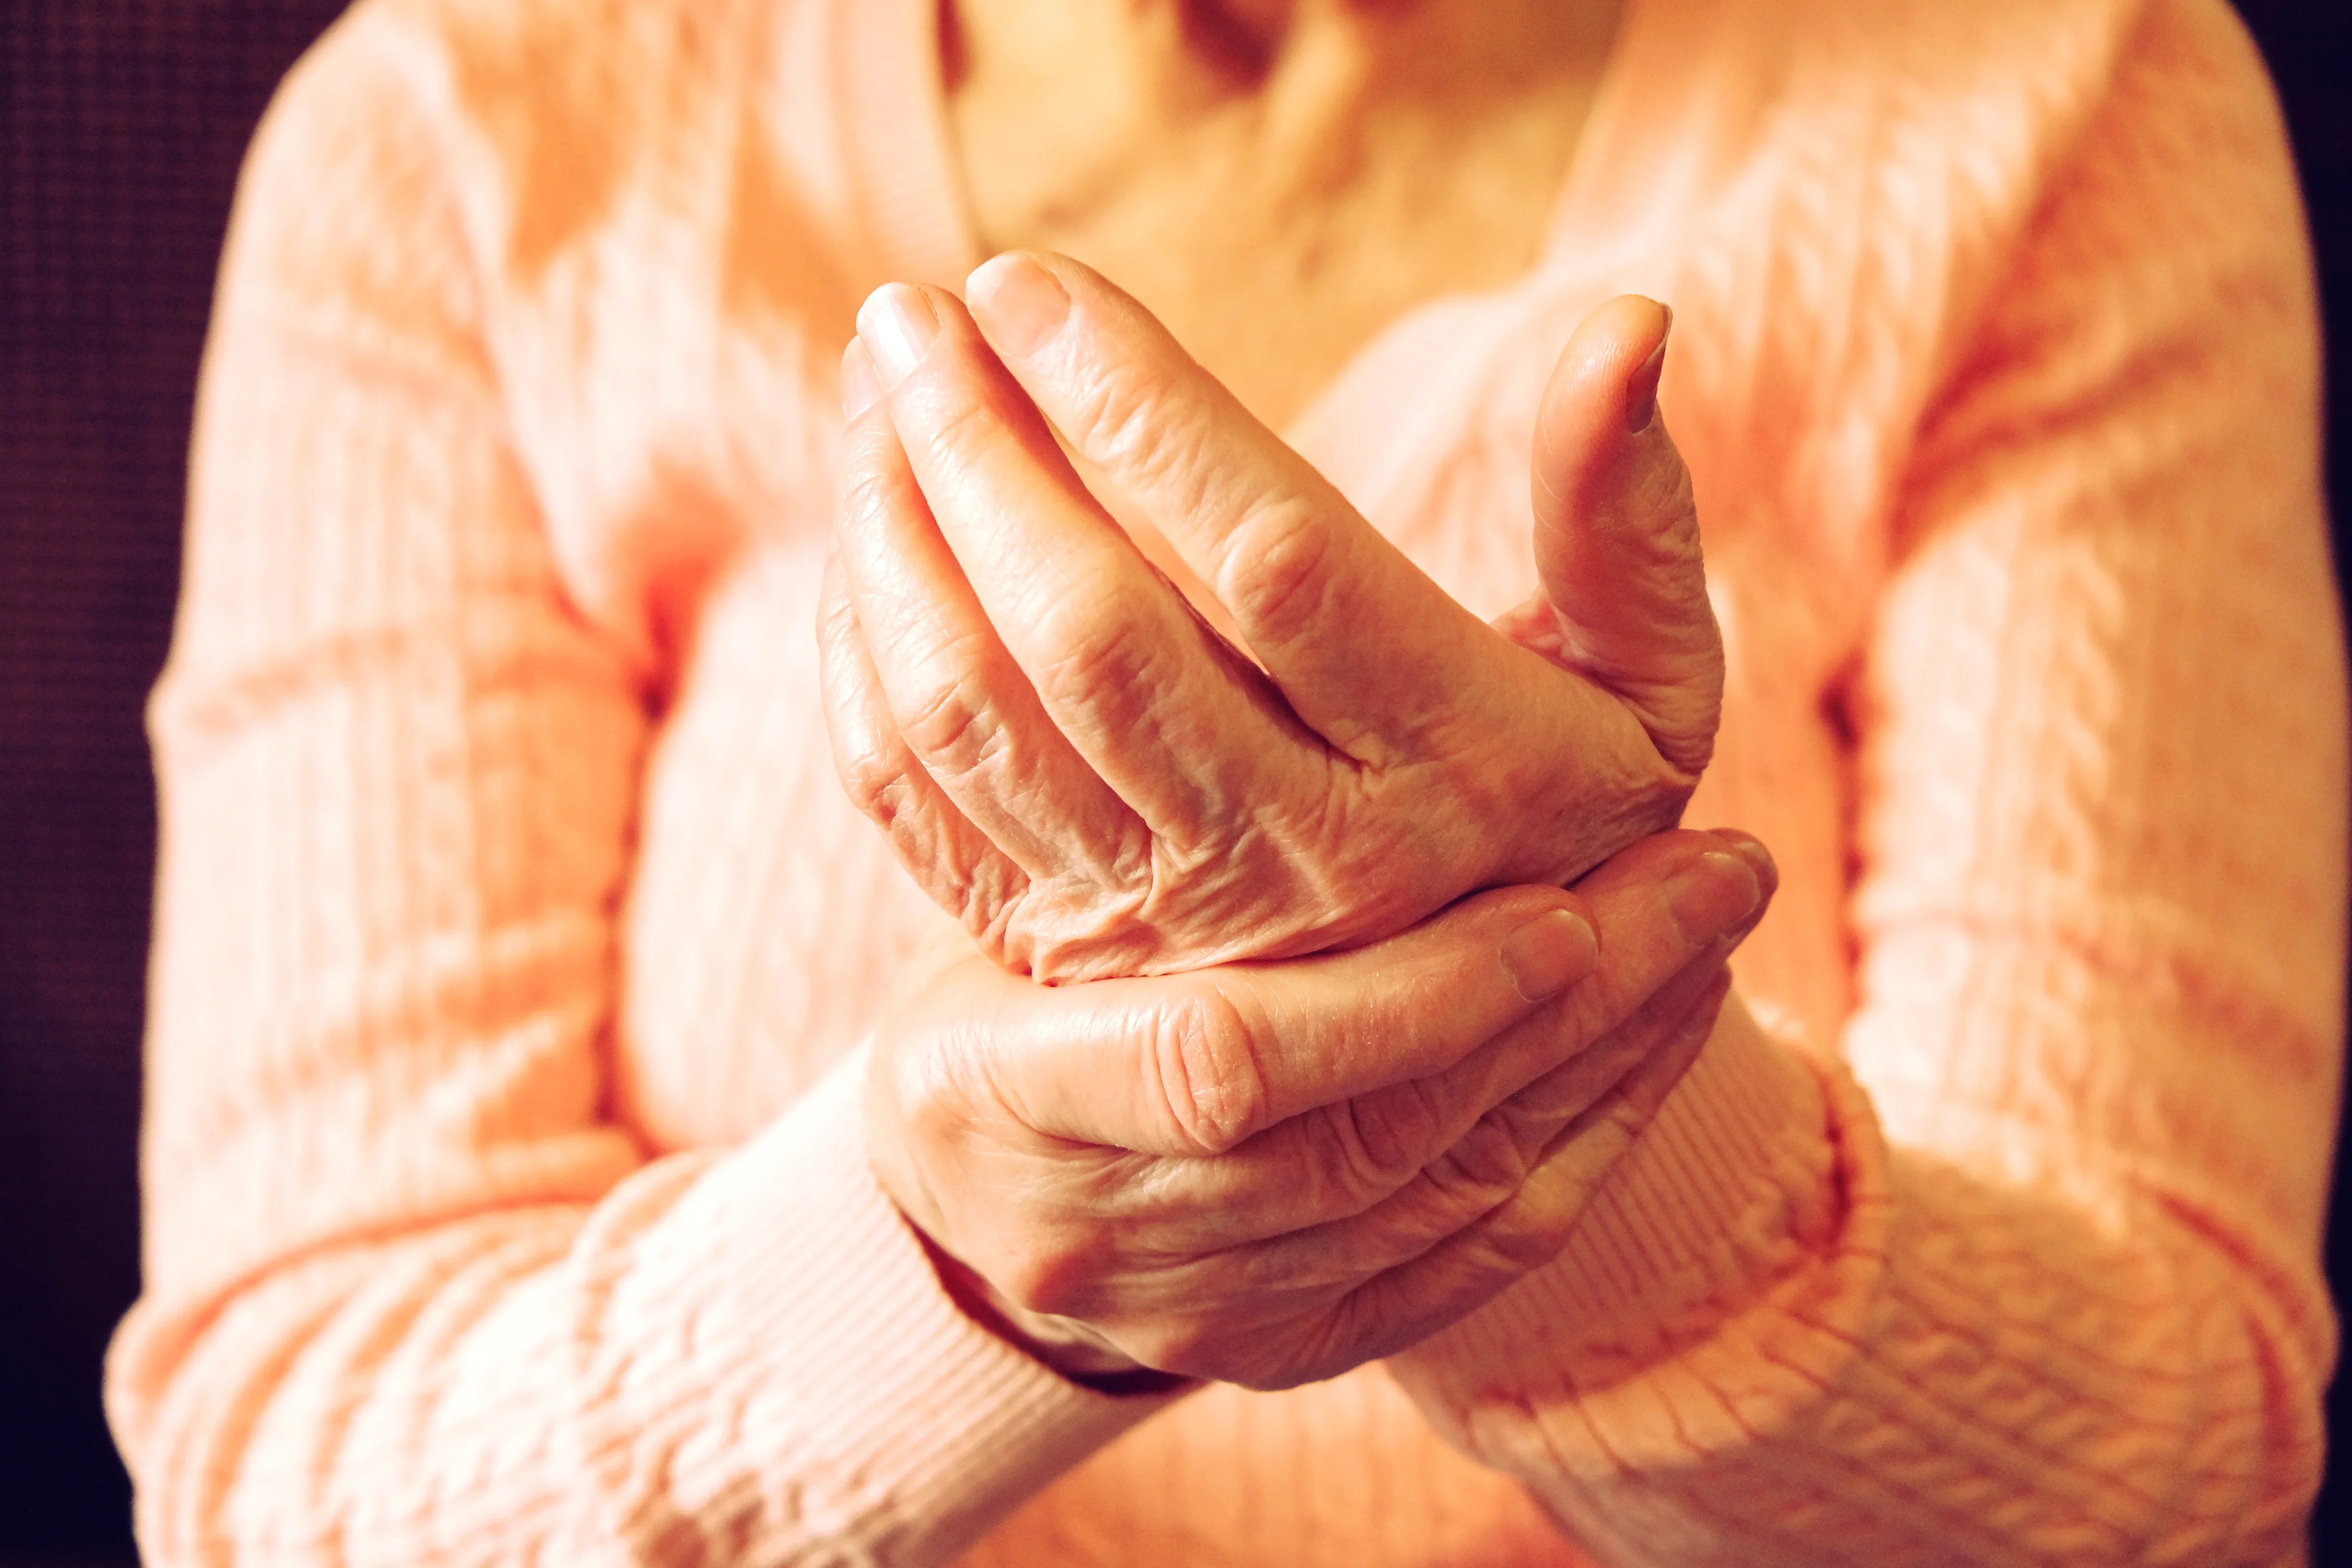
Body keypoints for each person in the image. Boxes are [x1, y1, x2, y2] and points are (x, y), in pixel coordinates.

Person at [104, 0, 2346, 1564]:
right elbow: (295, 1472)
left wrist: (1558, 1077)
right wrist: (962, 1254)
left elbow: (2172, 1473)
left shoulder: (2063, 92)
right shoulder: (471, 139)